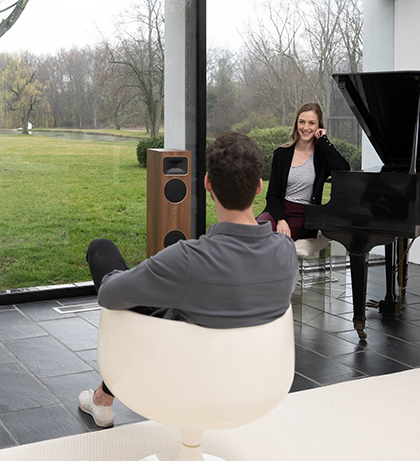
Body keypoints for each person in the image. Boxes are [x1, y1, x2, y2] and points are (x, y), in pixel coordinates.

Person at [78, 131, 298, 429]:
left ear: (208, 183)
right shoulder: (286, 251)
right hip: (260, 382)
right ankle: (103, 396)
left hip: (186, 378)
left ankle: (103, 398)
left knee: (102, 250)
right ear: (259, 187)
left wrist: (151, 278)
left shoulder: (188, 260)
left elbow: (110, 295)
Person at [257, 102, 350, 241]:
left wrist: (323, 141)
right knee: (255, 231)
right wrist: (281, 219)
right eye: (302, 122)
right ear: (296, 124)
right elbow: (272, 193)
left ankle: (278, 262)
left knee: (278, 240)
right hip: (278, 211)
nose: (306, 127)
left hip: (303, 215)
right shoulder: (281, 154)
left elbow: (344, 169)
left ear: (318, 126)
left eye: (311, 123)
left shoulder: (322, 156)